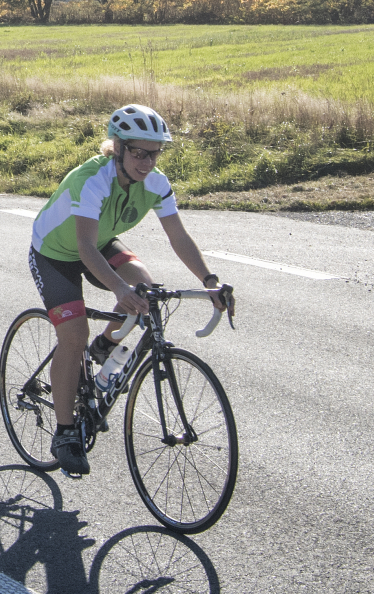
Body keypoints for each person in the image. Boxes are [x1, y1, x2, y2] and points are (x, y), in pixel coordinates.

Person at [28, 103, 230, 477]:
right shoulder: (91, 179)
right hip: (56, 252)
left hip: (99, 243)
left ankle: (104, 349)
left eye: (155, 153)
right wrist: (119, 288)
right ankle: (66, 430)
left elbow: (179, 237)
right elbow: (84, 248)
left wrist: (209, 281)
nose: (147, 162)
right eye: (138, 152)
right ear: (117, 148)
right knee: (73, 335)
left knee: (147, 290)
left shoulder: (155, 183)